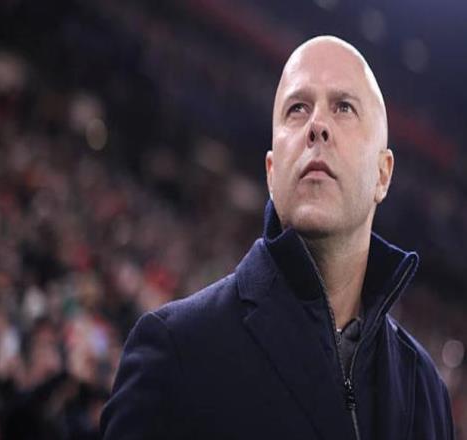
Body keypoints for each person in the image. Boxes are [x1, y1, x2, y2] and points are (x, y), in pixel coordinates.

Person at [100, 36, 455, 439]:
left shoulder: (426, 391)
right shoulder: (175, 349)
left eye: (343, 107)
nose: (317, 125)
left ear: (383, 174)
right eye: (297, 108)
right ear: (271, 172)